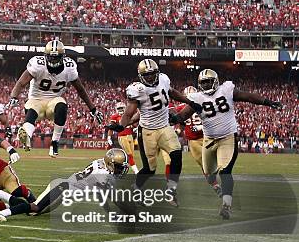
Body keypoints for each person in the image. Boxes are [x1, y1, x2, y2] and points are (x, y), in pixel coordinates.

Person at [172, 69, 283, 219]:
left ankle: (226, 206)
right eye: (203, 82)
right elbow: (183, 115)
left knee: (225, 171)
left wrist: (267, 102)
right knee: (210, 175)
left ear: (216, 81)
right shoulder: (197, 97)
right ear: (199, 84)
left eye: (209, 81)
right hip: (209, 140)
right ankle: (214, 184)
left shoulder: (226, 89)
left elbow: (247, 96)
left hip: (227, 139)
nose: (206, 85)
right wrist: (172, 119)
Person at [110, 59, 202, 207]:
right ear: (140, 76)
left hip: (164, 127)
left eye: (152, 74)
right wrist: (121, 126)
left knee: (177, 154)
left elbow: (173, 93)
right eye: (147, 75)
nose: (150, 78)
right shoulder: (138, 90)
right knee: (150, 169)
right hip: (147, 131)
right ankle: (136, 188)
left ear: (157, 72)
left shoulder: (164, 79)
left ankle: (171, 190)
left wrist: (189, 102)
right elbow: (128, 113)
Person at [8, 39, 102, 157]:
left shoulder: (69, 67)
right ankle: (26, 136)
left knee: (62, 105)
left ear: (63, 57)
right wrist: (13, 96)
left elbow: (81, 89)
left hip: (53, 101)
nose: (53, 60)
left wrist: (93, 109)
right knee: (32, 111)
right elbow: (21, 82)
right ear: (45, 56)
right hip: (36, 99)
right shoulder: (38, 64)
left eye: (56, 57)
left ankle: (55, 142)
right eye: (51, 57)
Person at [0, 148, 129, 221]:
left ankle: (0, 195)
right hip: (63, 187)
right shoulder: (103, 174)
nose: (120, 170)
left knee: (34, 211)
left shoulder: (101, 163)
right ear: (110, 164)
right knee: (35, 208)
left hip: (66, 188)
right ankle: (2, 213)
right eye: (118, 167)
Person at [107, 101, 139, 173]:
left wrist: (135, 128)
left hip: (130, 136)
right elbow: (111, 127)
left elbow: (133, 124)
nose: (121, 110)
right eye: (119, 108)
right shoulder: (115, 116)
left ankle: (121, 168)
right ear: (116, 109)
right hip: (122, 136)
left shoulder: (128, 115)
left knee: (131, 155)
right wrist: (109, 137)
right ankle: (136, 172)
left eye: (122, 108)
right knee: (129, 155)